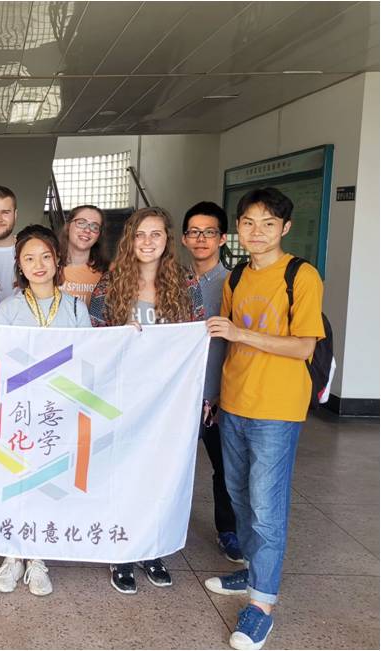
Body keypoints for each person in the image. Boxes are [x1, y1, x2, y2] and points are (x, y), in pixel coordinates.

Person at [205, 188, 325, 651]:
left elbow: (303, 346)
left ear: (285, 228)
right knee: (239, 495)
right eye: (249, 223)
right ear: (238, 227)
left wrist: (242, 333)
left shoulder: (301, 275)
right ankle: (253, 572)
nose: (257, 232)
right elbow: (226, 340)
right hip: (235, 403)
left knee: (266, 507)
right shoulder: (237, 276)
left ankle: (261, 607)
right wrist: (218, 394)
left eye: (268, 224)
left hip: (276, 409)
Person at [89, 206, 205, 595]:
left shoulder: (186, 283)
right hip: (122, 397)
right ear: (130, 240)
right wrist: (119, 334)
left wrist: (202, 392)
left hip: (168, 400)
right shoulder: (110, 284)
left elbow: (197, 339)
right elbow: (93, 337)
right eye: (140, 234)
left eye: (155, 234)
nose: (147, 242)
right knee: (123, 473)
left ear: (167, 240)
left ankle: (151, 549)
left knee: (159, 474)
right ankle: (121, 551)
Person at [0, 224, 88, 598]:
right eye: (29, 258)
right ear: (19, 264)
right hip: (18, 409)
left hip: (58, 410)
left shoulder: (76, 307)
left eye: (45, 256)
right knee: (16, 482)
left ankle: (37, 558)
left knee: (48, 483)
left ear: (57, 259)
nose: (38, 264)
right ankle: (13, 555)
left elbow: (88, 357)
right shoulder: (9, 308)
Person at [181, 201, 243, 564]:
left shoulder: (236, 283)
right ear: (184, 239)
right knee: (171, 466)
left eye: (209, 232)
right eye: (194, 232)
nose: (201, 239)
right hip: (179, 397)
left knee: (226, 469)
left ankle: (228, 531)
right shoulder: (172, 282)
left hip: (220, 396)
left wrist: (220, 393)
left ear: (222, 238)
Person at [59, 204, 108, 307]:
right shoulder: (49, 265)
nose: (87, 230)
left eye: (95, 227)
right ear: (68, 226)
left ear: (99, 235)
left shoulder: (109, 271)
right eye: (81, 223)